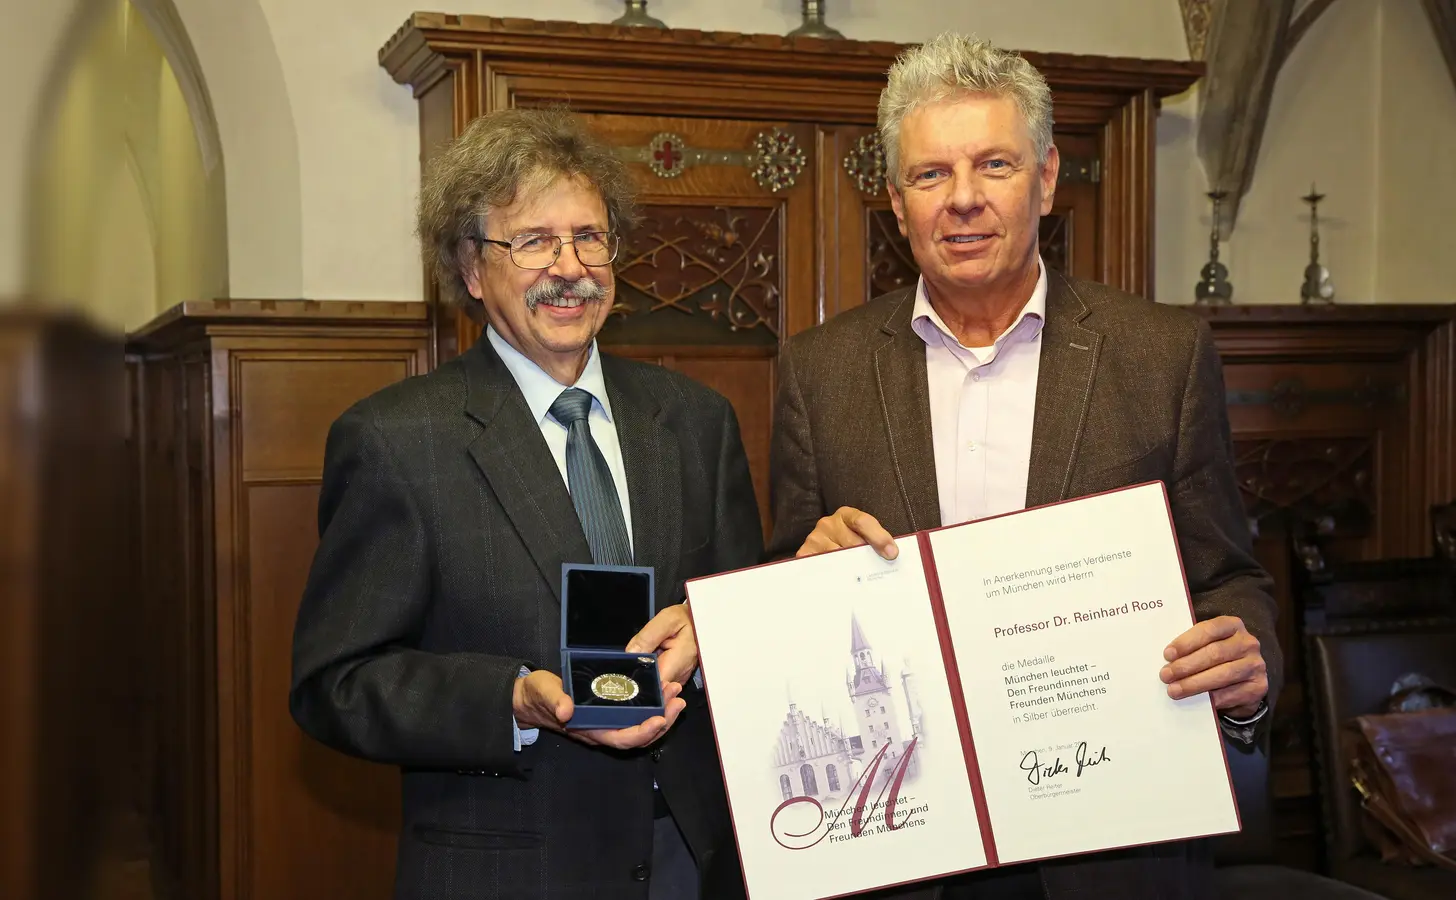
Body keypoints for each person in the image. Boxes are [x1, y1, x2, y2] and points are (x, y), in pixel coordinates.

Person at [767, 33, 1281, 900]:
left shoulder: (1162, 356)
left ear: (1045, 179)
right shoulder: (820, 373)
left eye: (994, 165)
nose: (963, 198)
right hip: (907, 852)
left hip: (1111, 848)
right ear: (896, 201)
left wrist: (1245, 660)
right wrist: (801, 579)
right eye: (931, 174)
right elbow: (782, 600)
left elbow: (1230, 578)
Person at [289, 107, 761, 900]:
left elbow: (743, 615)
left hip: (693, 859)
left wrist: (714, 629)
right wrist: (510, 700)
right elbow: (335, 684)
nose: (569, 268)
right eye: (534, 241)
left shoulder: (696, 422)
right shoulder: (395, 442)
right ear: (473, 269)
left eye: (589, 237)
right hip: (510, 869)